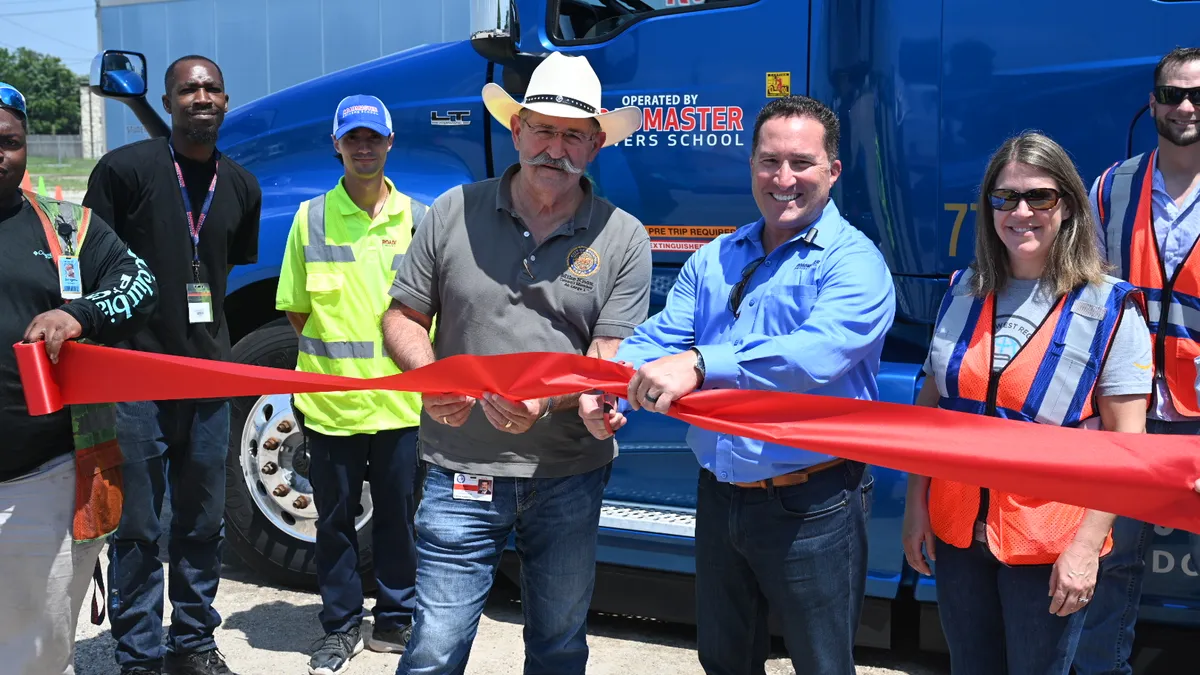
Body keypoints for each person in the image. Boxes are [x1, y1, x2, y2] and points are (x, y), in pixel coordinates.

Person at [582, 95, 897, 675]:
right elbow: (656, 338)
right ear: (750, 166)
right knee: (724, 660)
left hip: (814, 504)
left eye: (802, 163)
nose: (783, 179)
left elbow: (815, 355)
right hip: (721, 496)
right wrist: (601, 384)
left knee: (823, 665)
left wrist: (702, 363)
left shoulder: (856, 263)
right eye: (768, 162)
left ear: (833, 171)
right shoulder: (715, 258)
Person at [381, 51, 651, 675]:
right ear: (516, 131)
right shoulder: (453, 211)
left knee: (558, 645)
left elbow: (605, 357)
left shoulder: (623, 236)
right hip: (459, 467)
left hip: (568, 473)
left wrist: (548, 399)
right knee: (434, 649)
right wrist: (430, 378)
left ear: (596, 147)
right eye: (543, 130)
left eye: (573, 136)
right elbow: (401, 316)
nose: (554, 149)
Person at [902, 131, 1153, 675]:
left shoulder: (1110, 307)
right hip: (957, 533)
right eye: (1005, 197)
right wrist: (915, 505)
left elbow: (1127, 450)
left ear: (1067, 206)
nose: (1021, 211)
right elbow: (931, 412)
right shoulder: (963, 289)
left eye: (1039, 196)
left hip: (1047, 544)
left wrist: (1086, 550)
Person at [83, 55, 261, 675]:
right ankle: (137, 653)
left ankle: (192, 643)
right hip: (135, 375)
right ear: (167, 99)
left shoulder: (240, 185)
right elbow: (85, 267)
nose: (201, 97)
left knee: (202, 520)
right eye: (189, 89)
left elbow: (223, 270)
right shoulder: (123, 171)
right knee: (138, 521)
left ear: (226, 98)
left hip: (208, 380)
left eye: (212, 87)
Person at [0, 82, 158, 674]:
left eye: (10, 142)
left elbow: (139, 283)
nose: (0, 154)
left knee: (39, 651)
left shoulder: (68, 227)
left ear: (26, 148)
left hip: (44, 478)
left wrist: (79, 314)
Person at [275, 94, 427, 675]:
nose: (364, 148)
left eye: (374, 137)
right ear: (336, 145)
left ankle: (394, 621)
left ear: (390, 143)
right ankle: (339, 626)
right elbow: (296, 310)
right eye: (352, 138)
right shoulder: (309, 219)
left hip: (399, 405)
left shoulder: (419, 217)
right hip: (333, 404)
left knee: (399, 519)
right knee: (334, 525)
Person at [1076, 46, 1200, 675]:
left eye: (1197, 96)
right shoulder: (1111, 186)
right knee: (1112, 558)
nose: (1185, 107)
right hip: (1130, 409)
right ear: (1152, 101)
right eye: (1173, 94)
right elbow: (1087, 290)